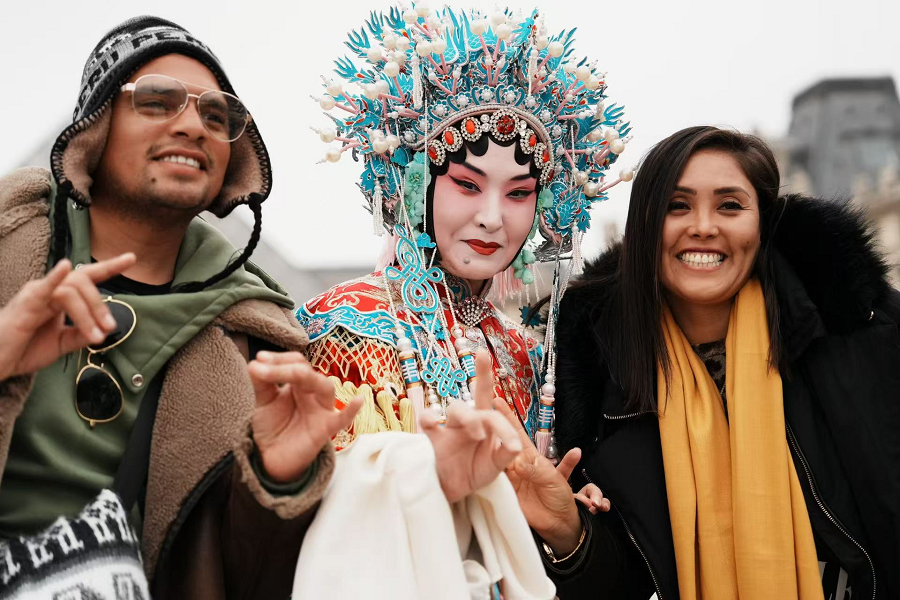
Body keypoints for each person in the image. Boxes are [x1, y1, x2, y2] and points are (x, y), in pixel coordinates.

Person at [0, 16, 364, 598]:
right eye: (156, 102)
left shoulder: (261, 341)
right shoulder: (6, 247)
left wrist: (279, 479)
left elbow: (245, 576)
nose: (194, 125)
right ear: (95, 127)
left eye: (216, 116)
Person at [295, 3, 633, 586]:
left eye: (519, 192)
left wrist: (566, 524)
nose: (492, 218)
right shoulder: (341, 322)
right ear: (414, 183)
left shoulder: (528, 354)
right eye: (467, 184)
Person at [540, 126, 900, 599]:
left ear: (763, 223)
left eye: (730, 205)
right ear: (646, 227)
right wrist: (568, 534)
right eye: (677, 206)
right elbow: (617, 583)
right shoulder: (599, 384)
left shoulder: (863, 336)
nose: (704, 226)